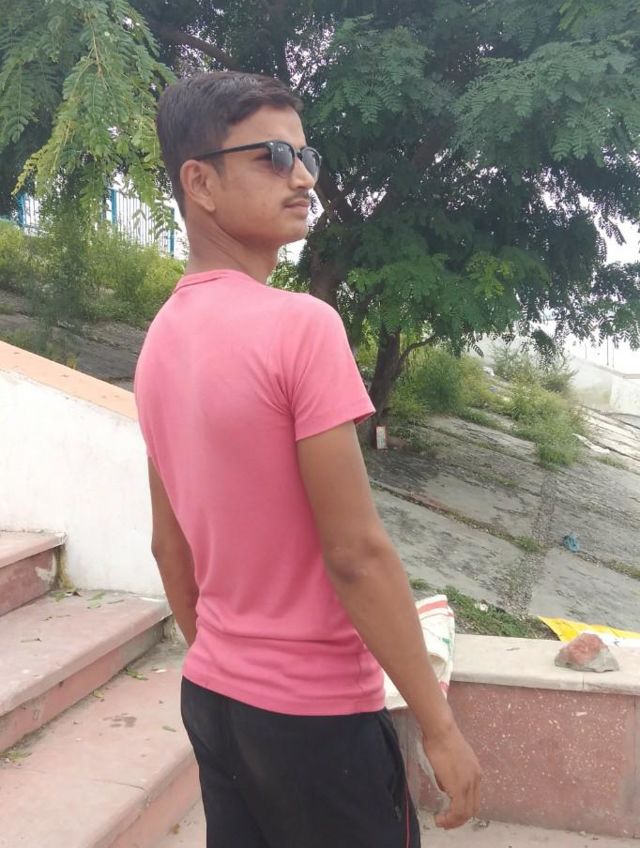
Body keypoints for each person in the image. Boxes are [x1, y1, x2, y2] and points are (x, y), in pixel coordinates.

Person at [134, 71, 482, 848]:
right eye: (272, 156)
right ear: (200, 183)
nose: (302, 178)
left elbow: (168, 548)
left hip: (214, 701)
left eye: (306, 156)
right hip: (317, 721)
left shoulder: (159, 344)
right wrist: (439, 726)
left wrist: (231, 664)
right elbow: (355, 553)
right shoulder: (302, 327)